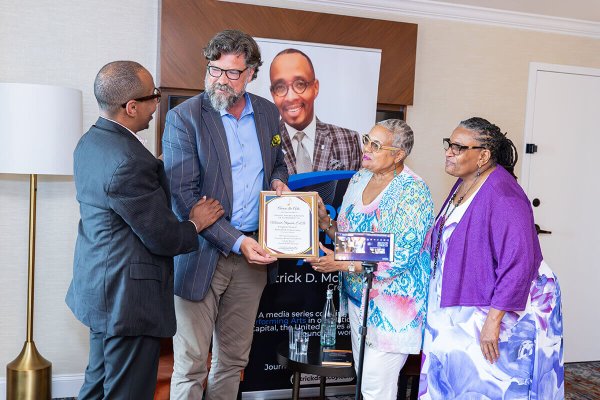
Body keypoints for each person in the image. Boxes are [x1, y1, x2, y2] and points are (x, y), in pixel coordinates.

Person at [65, 61, 224, 399]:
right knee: (128, 391)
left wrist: (161, 168)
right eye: (153, 97)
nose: (157, 105)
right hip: (128, 300)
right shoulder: (129, 161)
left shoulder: (91, 142)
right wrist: (197, 221)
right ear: (131, 106)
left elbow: (120, 202)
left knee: (97, 383)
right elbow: (163, 237)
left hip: (99, 286)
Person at [162, 30, 289, 400]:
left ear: (251, 73)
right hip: (201, 256)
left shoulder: (266, 112)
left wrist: (280, 182)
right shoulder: (184, 118)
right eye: (214, 70)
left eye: (232, 73)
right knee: (190, 362)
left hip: (253, 258)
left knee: (233, 360)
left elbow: (279, 163)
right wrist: (237, 241)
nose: (220, 80)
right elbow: (184, 197)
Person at [418, 117, 564, 399]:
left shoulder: (503, 193)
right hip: (465, 300)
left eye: (459, 147)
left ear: (483, 155)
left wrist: (493, 322)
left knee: (489, 386)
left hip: (502, 309)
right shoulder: (465, 183)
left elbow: (519, 261)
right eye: (449, 144)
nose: (449, 151)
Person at [306, 119, 434, 400]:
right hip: (357, 300)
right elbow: (352, 241)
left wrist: (339, 264)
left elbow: (400, 255)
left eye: (376, 145)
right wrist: (326, 223)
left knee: (377, 389)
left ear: (398, 155)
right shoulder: (360, 178)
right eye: (367, 140)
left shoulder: (413, 191)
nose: (366, 149)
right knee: (365, 383)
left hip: (392, 308)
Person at [269, 48, 362, 174]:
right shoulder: (265, 144)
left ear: (315, 87)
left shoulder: (348, 141)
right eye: (280, 87)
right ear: (273, 94)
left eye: (300, 84)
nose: (291, 97)